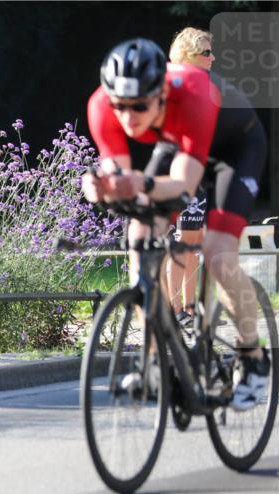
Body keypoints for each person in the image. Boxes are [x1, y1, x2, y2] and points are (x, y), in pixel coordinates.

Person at [82, 37, 270, 411]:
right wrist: (98, 187)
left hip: (235, 147)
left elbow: (182, 187)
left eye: (139, 106)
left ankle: (253, 358)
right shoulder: (102, 106)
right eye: (121, 106)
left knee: (217, 254)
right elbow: (116, 175)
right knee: (139, 236)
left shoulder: (192, 93)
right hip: (180, 142)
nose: (129, 117)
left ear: (161, 95)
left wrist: (137, 183)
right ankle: (154, 362)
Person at [147, 27, 216, 320]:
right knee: (180, 243)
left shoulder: (205, 83)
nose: (214, 57)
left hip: (198, 169)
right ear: (189, 55)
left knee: (191, 241)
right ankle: (174, 308)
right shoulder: (177, 83)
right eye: (207, 53)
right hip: (178, 168)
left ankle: (189, 308)